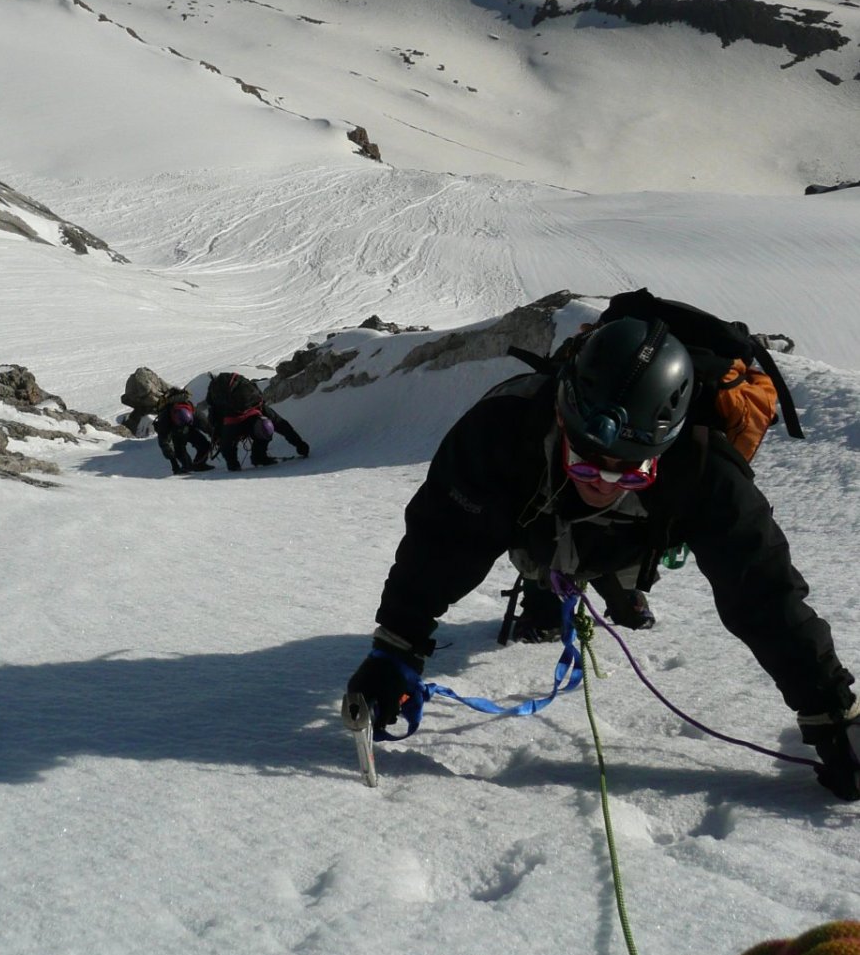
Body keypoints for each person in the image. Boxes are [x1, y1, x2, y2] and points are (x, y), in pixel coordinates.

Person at [346, 315, 860, 800]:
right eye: (587, 462)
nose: (604, 482)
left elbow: (763, 590)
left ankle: (612, 591)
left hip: (630, 540)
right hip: (536, 526)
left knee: (621, 576)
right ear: (561, 420)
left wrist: (830, 710)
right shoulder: (500, 433)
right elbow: (442, 543)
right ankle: (547, 598)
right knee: (545, 563)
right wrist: (397, 646)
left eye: (630, 470)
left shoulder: (705, 469)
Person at [153, 392, 213, 476]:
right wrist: (173, 462)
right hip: (174, 430)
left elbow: (206, 425)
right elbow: (164, 441)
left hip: (189, 428)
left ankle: (198, 464)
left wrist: (214, 434)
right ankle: (187, 466)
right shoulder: (165, 418)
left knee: (205, 445)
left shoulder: (194, 412)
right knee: (180, 450)